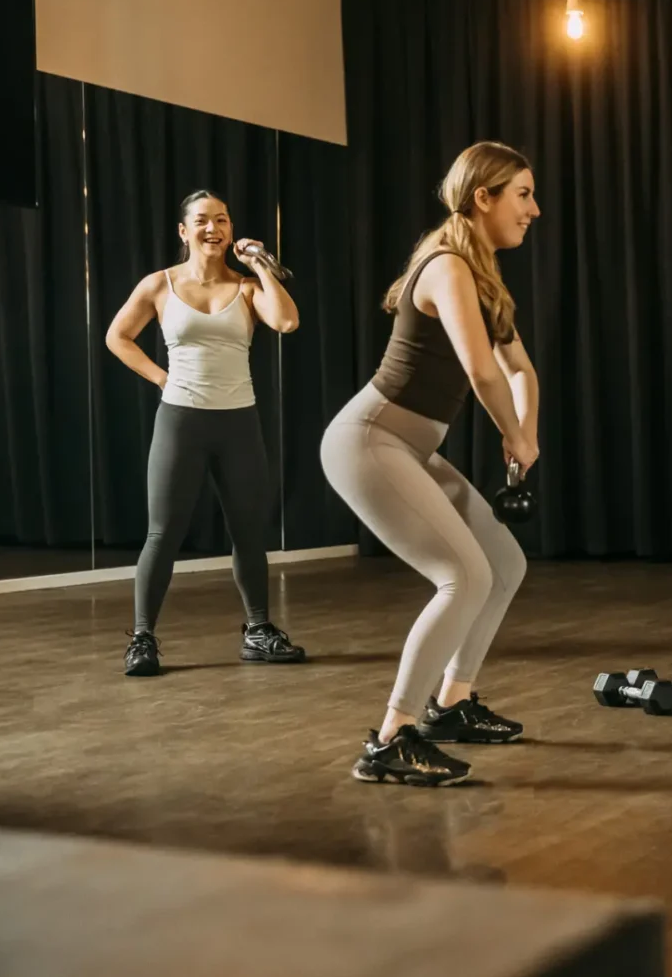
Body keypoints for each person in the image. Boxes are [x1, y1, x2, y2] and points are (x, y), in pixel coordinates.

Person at [321, 141, 541, 787]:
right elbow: (480, 370)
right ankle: (389, 739)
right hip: (368, 440)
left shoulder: (481, 276)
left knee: (504, 563)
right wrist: (512, 433)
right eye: (523, 194)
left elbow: (518, 368)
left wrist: (525, 432)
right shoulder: (446, 265)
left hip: (410, 448)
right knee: (464, 575)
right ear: (484, 196)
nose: (534, 209)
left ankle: (450, 706)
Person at [105, 190, 306, 676]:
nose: (212, 228)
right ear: (184, 231)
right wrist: (160, 378)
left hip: (239, 422)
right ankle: (142, 639)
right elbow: (118, 337)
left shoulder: (247, 287)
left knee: (248, 533)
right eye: (202, 221)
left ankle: (258, 632)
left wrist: (260, 264)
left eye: (222, 220)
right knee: (163, 532)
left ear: (232, 230)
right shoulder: (160, 284)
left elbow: (287, 320)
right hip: (182, 420)